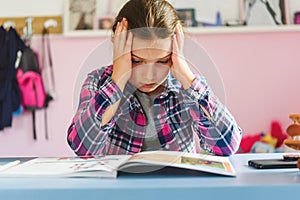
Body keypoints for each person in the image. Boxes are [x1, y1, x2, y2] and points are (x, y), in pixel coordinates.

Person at [67, 0, 242, 156]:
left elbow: (226, 146)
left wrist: (187, 78)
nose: (149, 75)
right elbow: (83, 148)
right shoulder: (98, 82)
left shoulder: (186, 87)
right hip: (118, 192)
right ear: (117, 43)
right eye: (136, 60)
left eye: (162, 60)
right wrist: (118, 80)